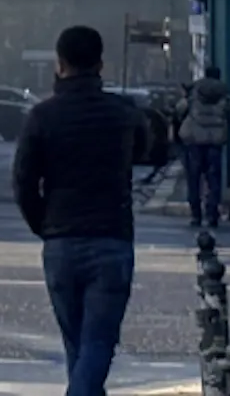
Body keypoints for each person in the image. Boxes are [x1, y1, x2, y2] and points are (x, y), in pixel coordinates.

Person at [12, 26, 150, 396]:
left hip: (61, 240)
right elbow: (150, 148)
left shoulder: (42, 117)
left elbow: (23, 182)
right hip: (111, 236)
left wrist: (44, 224)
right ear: (101, 64)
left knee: (76, 342)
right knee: (98, 342)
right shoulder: (122, 113)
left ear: (59, 64)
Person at [176, 64, 230, 229]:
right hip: (215, 141)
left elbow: (180, 109)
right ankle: (212, 214)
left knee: (194, 179)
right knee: (213, 179)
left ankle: (196, 215)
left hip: (195, 140)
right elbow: (228, 110)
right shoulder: (224, 93)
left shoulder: (195, 92)